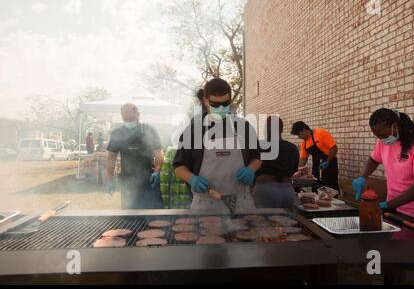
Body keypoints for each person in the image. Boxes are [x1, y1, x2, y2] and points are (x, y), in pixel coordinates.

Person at [173, 78, 261, 212]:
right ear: (206, 101)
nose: (221, 108)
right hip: (206, 203)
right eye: (216, 104)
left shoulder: (244, 127)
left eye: (225, 103)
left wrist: (251, 169)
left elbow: (256, 157)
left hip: (241, 203)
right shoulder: (193, 131)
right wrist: (191, 178)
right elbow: (179, 166)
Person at [352, 108, 414, 224]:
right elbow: (374, 159)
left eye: (383, 135)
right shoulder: (383, 142)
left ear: (395, 126)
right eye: (378, 136)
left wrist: (387, 205)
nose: (381, 139)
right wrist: (362, 177)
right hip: (395, 206)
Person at [104, 103, 165, 209]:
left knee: (153, 216)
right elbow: (111, 158)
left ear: (138, 115)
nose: (128, 121)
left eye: (130, 118)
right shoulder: (117, 133)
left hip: (148, 181)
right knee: (129, 216)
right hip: (127, 182)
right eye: (125, 119)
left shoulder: (149, 131)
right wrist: (109, 179)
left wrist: (156, 171)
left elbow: (159, 154)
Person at [252, 116, 299, 209]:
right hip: (287, 191)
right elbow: (294, 169)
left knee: (263, 222)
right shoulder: (292, 148)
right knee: (286, 222)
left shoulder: (259, 146)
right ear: (281, 130)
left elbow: (251, 167)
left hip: (265, 192)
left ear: (267, 129)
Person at [291, 122, 339, 191]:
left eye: (299, 134)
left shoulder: (321, 133)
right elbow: (303, 161)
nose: (299, 137)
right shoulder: (304, 144)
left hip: (329, 166)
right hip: (316, 169)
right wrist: (295, 170)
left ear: (304, 130)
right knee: (316, 190)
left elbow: (334, 148)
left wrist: (327, 161)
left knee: (331, 190)